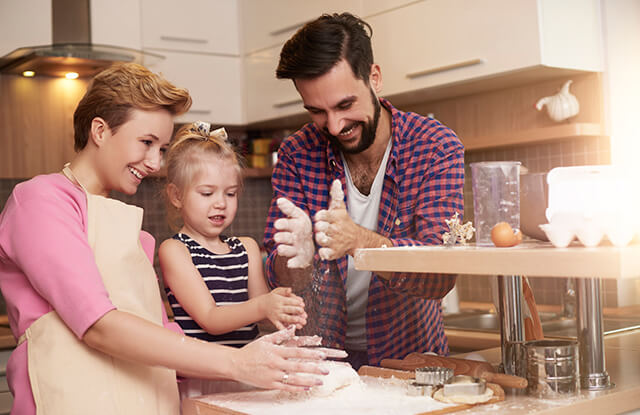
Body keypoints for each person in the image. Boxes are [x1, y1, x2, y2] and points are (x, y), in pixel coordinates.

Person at [0, 63, 331, 415]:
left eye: (161, 148)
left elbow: (163, 340)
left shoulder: (132, 232)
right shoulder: (40, 201)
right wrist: (237, 363)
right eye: (146, 143)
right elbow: (98, 325)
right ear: (100, 131)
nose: (155, 163)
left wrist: (280, 363)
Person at [263, 13, 465, 369]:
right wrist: (297, 258)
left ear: (375, 78)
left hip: (409, 359)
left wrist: (358, 240)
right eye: (317, 112)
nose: (335, 126)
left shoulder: (435, 147)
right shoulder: (297, 153)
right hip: (322, 362)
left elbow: (440, 275)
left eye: (344, 105)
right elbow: (280, 276)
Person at [159, 121, 309, 397]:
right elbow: (210, 318)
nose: (221, 203)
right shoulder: (175, 250)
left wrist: (285, 305)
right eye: (207, 193)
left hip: (251, 374)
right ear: (176, 196)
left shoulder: (246, 248)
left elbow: (264, 316)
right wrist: (265, 305)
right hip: (202, 379)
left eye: (230, 193)